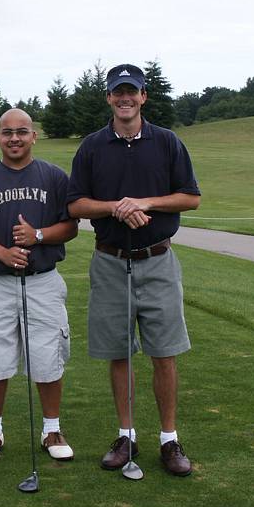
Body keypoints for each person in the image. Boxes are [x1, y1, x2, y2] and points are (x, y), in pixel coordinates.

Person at [66, 64, 201, 476]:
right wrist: (116, 208)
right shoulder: (92, 146)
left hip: (158, 260)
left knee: (164, 353)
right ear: (109, 97)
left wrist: (145, 202)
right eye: (118, 92)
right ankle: (127, 435)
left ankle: (169, 439)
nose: (125, 98)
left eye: (132, 91)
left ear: (143, 96)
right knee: (119, 352)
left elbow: (190, 197)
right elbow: (75, 204)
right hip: (110, 262)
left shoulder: (167, 142)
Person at [0, 108, 78, 463]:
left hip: (42, 281)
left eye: (22, 131)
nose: (15, 138)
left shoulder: (54, 177)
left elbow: (70, 226)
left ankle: (52, 429)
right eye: (8, 132)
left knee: (47, 354)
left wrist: (37, 235)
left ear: (34, 136)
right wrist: (3, 253)